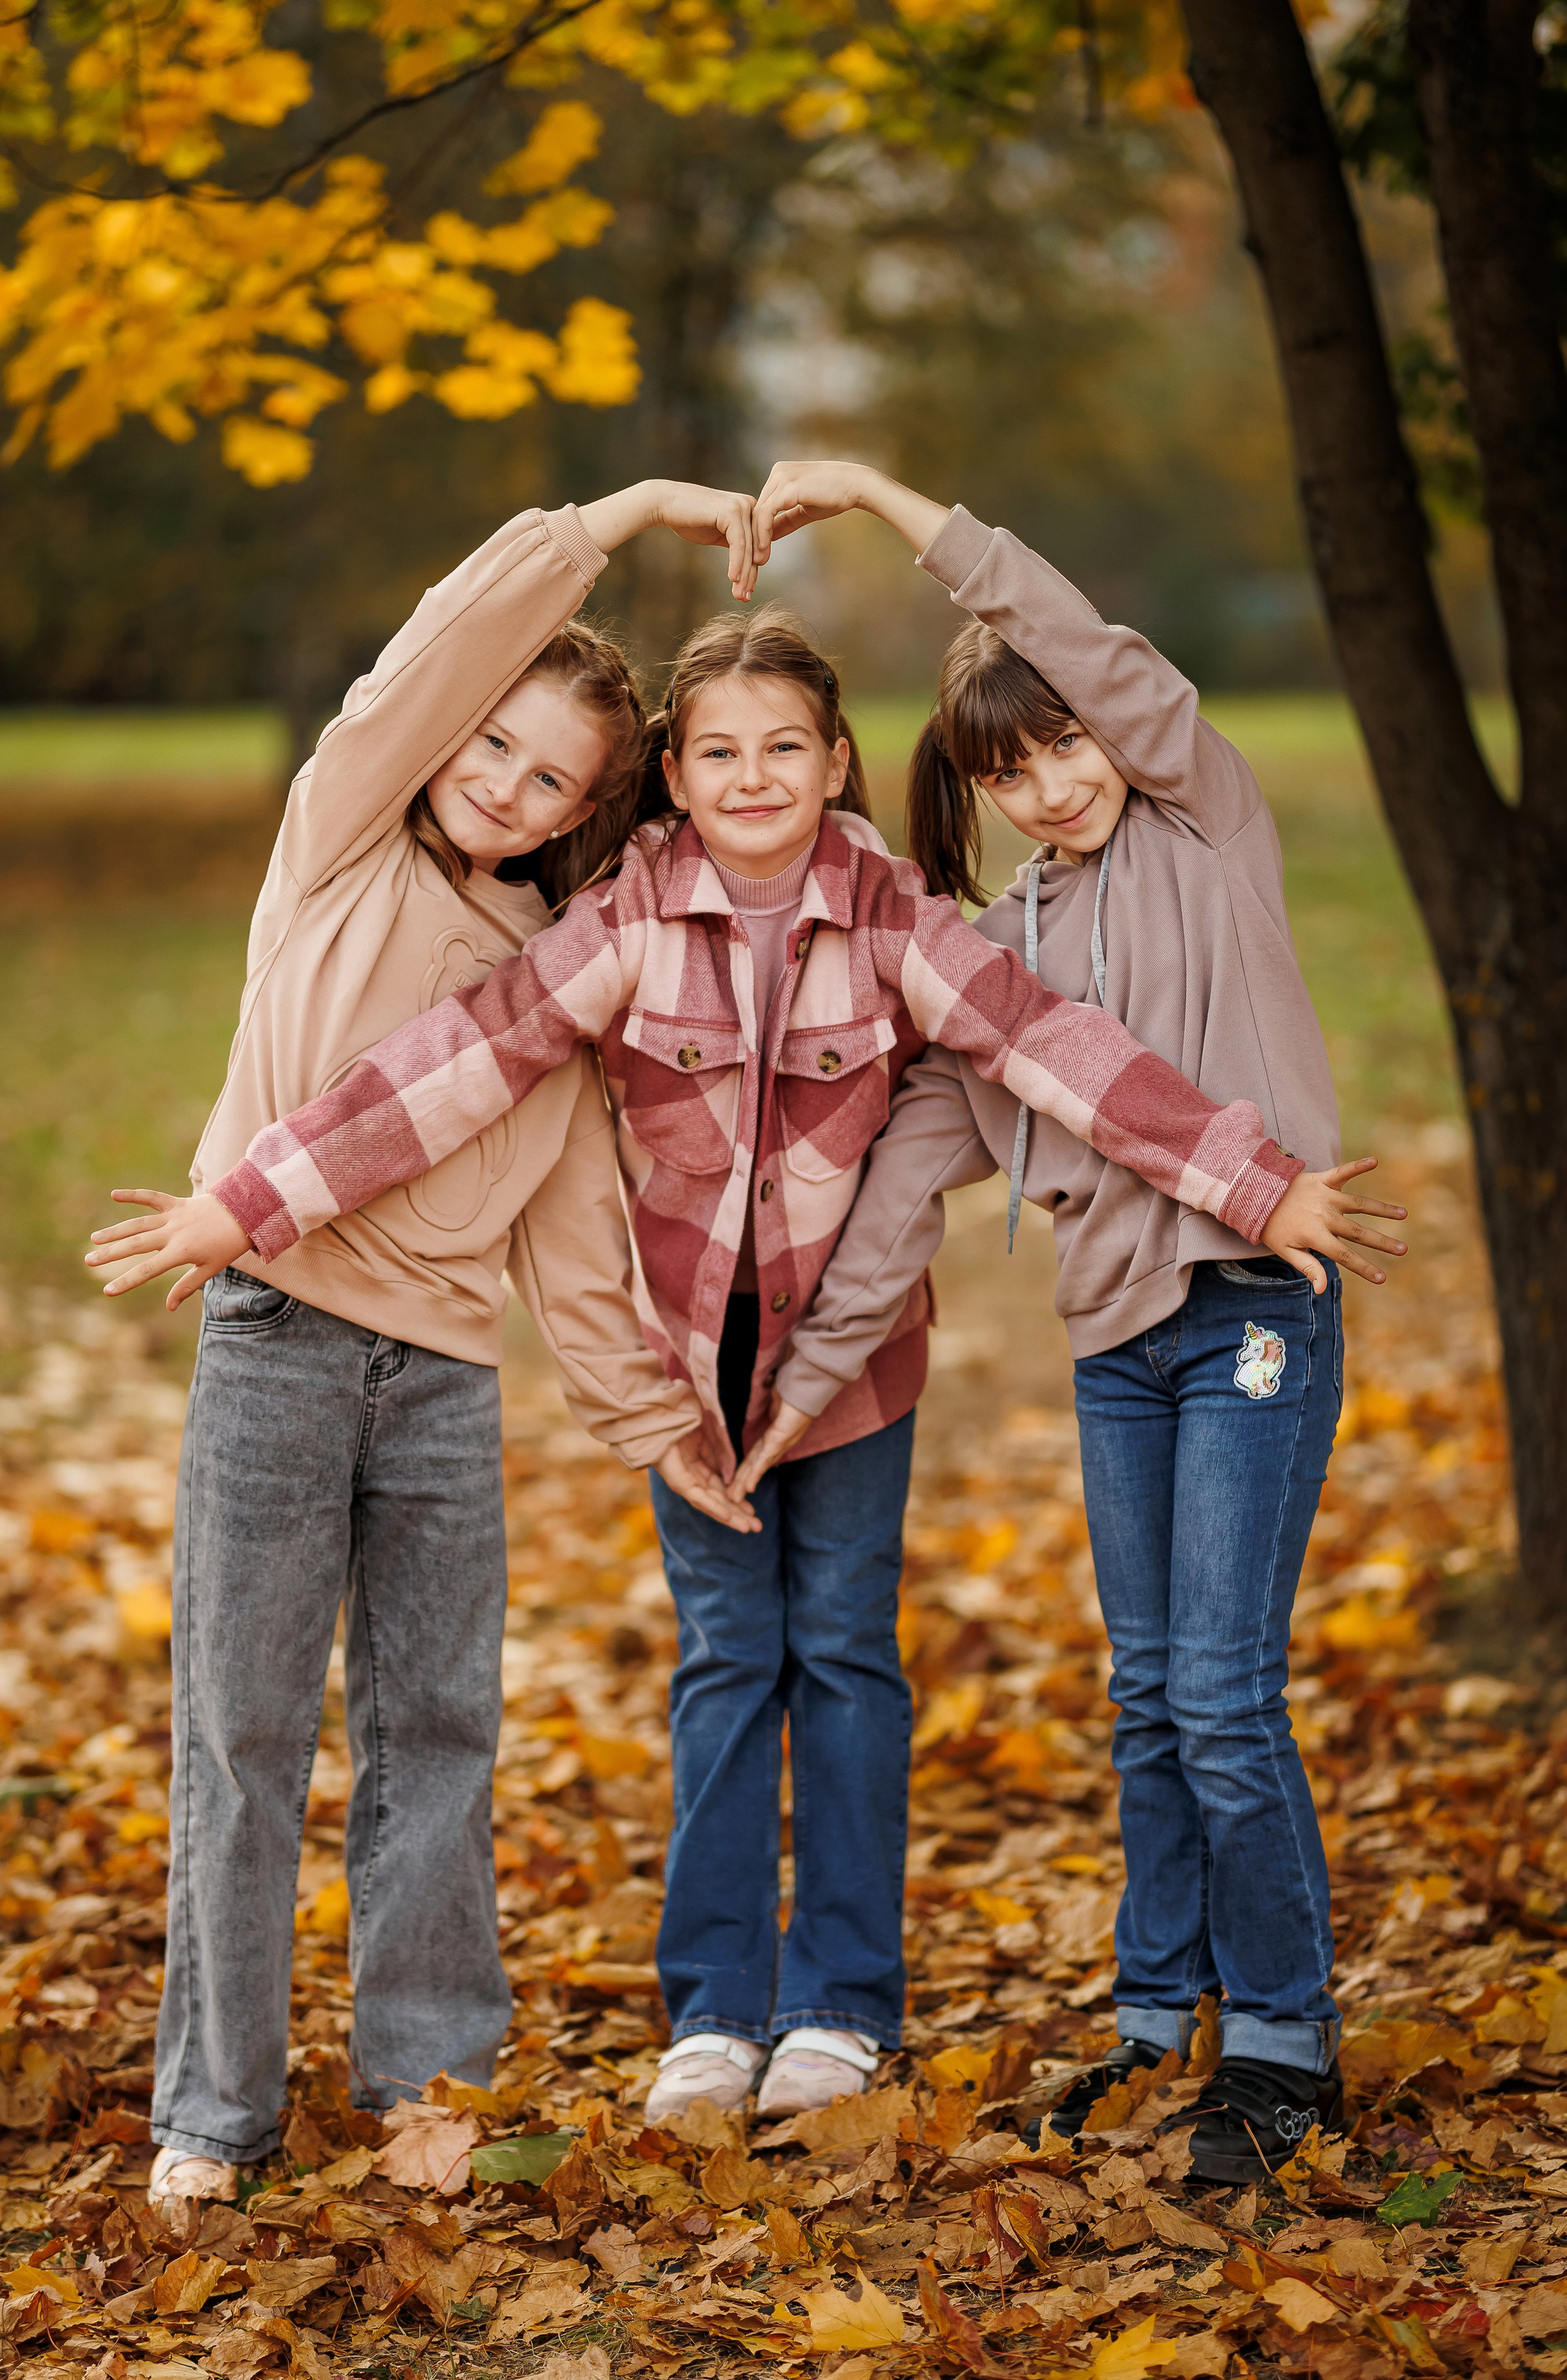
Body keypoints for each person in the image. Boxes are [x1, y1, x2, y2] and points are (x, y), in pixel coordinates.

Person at [92, 506, 1388, 2132]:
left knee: (844, 1657)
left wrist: (1255, 1183)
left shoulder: (902, 918)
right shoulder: (623, 921)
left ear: (839, 763)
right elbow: (453, 1065)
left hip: (857, 1369)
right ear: (674, 776)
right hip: (691, 1376)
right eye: (718, 751)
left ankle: (841, 2003)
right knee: (722, 1665)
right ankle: (712, 2009)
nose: (754, 775)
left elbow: (1059, 1050)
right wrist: (252, 1198)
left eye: (786, 746)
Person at [84, 480, 767, 2219]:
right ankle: (215, 2112)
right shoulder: (338, 841)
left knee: (442, 1736)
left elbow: (575, 1242)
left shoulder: (557, 983)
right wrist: (612, 518)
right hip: (278, 1341)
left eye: (552, 781)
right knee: (243, 1737)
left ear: (587, 813)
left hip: (442, 1388)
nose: (505, 786)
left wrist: (655, 1424)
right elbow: (427, 662)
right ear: (449, 727)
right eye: (493, 743)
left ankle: (428, 2084)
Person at [743, 460, 1409, 2185]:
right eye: (1008, 771)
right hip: (1120, 1349)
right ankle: (1152, 2018)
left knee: (1227, 1699)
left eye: (1065, 744)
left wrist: (884, 501)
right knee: (1150, 1698)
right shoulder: (999, 957)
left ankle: (1282, 2048)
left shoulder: (1209, 828)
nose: (1052, 786)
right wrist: (798, 1385)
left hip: (1255, 1316)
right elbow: (903, 1184)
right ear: (975, 791)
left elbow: (1081, 641)